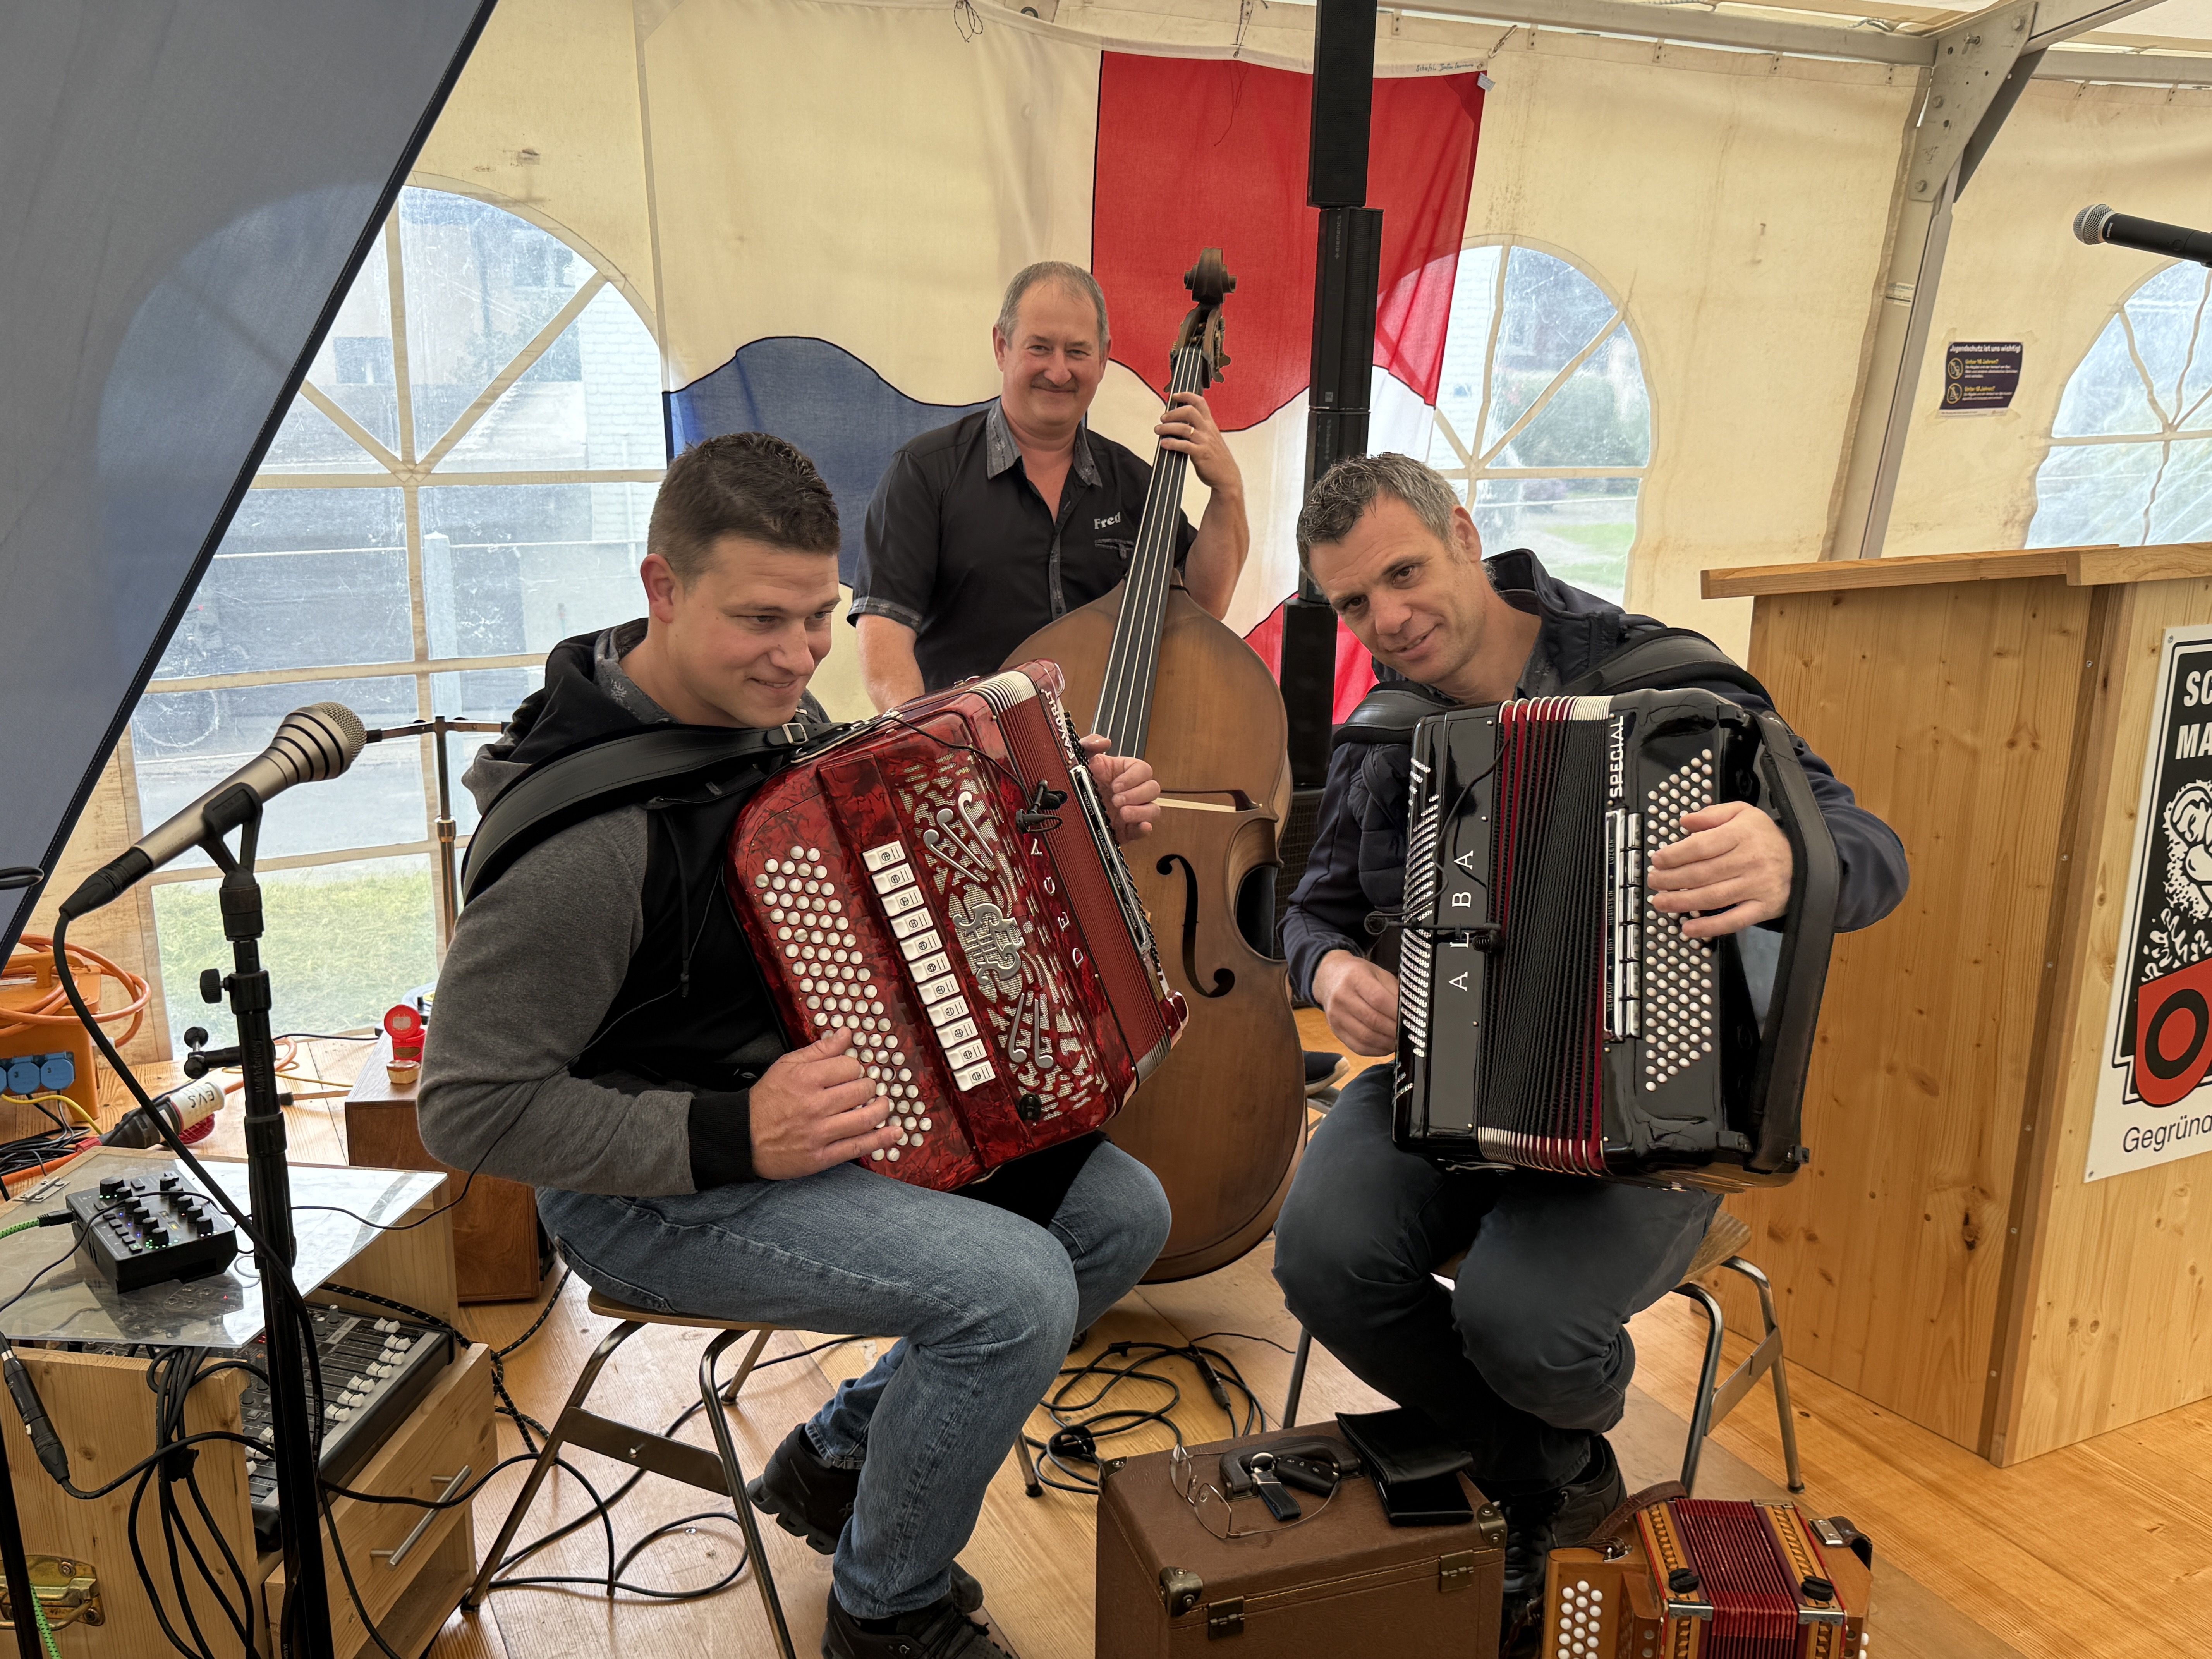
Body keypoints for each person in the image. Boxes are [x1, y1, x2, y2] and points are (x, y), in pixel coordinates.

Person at [418, 433, 1173, 1659]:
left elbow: (877, 865)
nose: (798, 654)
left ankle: (837, 1457)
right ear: (660, 588)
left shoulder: (754, 709)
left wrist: (1069, 812)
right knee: (1016, 1292)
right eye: (760, 619)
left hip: (811, 1118)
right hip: (654, 1189)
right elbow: (468, 1109)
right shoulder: (584, 842)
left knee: (1118, 1215)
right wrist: (733, 1131)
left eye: (819, 617)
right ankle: (887, 1612)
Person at [1270, 454, 1908, 1653]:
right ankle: (1551, 1470)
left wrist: (1784, 857)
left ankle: (1522, 1452)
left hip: (1649, 1104)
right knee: (1316, 1254)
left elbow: (1865, 847)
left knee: (1523, 1321)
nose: (1387, 621)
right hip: (1436, 1080)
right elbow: (1303, 910)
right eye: (1353, 604)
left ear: (1463, 533)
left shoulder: (1662, 678)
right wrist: (1329, 971)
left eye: (1402, 574)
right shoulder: (1384, 731)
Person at [848, 260, 1250, 709]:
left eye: (1077, 352)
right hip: (977, 761)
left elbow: (1205, 606)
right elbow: (884, 646)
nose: (1059, 372)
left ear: (1102, 359)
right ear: (1002, 347)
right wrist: (936, 755)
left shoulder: (1134, 482)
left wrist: (1227, 492)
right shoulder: (924, 473)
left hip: (1112, 758)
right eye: (1040, 348)